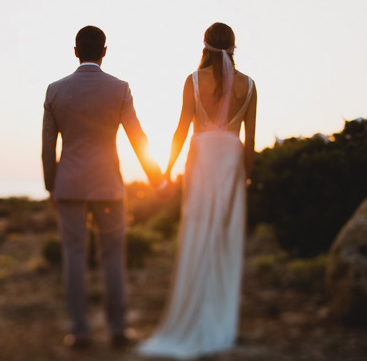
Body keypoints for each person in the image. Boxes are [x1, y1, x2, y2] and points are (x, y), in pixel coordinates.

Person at [138, 22, 257, 359]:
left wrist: (165, 171)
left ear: (204, 46)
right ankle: (220, 318)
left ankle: (196, 313)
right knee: (224, 237)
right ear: (234, 47)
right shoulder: (250, 86)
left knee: (198, 232)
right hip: (232, 162)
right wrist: (246, 177)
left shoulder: (193, 81)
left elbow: (180, 130)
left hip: (203, 160)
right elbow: (250, 141)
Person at [41, 25, 163, 349]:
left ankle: (80, 332)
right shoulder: (119, 89)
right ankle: (118, 330)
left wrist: (51, 187)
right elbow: (138, 139)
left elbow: (47, 147)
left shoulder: (55, 90)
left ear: (75, 51)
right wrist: (158, 179)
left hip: (68, 186)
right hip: (108, 186)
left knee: (74, 258)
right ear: (105, 51)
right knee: (112, 259)